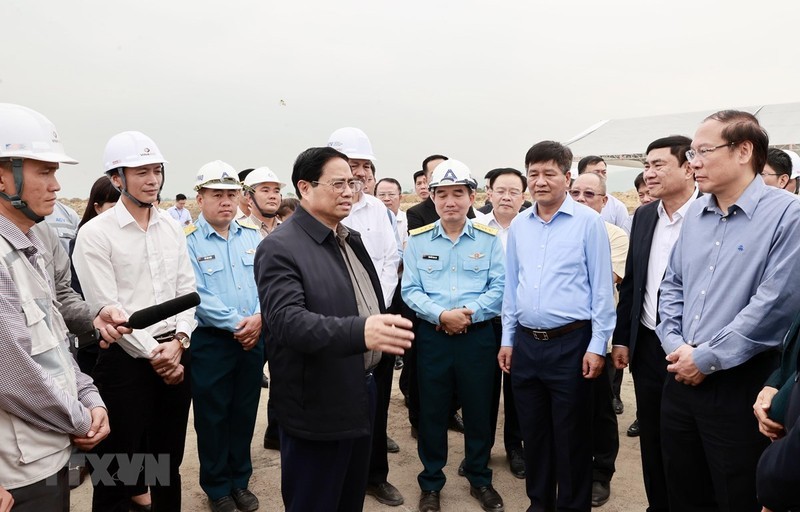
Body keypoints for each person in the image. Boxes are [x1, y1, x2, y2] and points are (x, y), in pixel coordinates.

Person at [655, 110, 800, 511]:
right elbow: (672, 287)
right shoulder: (696, 216)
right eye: (691, 152)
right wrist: (677, 345)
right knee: (682, 487)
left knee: (735, 491)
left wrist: (706, 356)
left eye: (703, 151)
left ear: (743, 151)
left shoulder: (788, 215)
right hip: (679, 374)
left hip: (740, 381)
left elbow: (774, 305)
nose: (692, 162)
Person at [255, 146, 414, 512]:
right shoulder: (281, 247)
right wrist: (361, 333)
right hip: (318, 403)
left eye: (354, 183)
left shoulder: (348, 237)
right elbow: (287, 322)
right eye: (338, 183)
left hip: (362, 390)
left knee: (349, 496)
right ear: (305, 188)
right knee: (316, 498)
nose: (349, 191)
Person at [0, 103, 125, 511]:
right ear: (2, 175)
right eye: (44, 171)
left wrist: (89, 395)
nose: (56, 184)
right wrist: (80, 418)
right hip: (19, 471)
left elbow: (54, 340)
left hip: (47, 452)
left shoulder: (31, 243)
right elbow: (14, 372)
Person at [73, 130, 197, 512]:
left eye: (156, 170)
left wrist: (178, 342)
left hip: (174, 352)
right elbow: (109, 307)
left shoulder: (172, 226)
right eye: (140, 172)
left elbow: (186, 289)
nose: (152, 180)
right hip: (126, 361)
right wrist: (157, 356)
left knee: (166, 461)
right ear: (116, 178)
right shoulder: (95, 235)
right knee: (119, 468)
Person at [498, 140, 615, 512]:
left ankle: (572, 505)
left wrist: (598, 345)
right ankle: (539, 503)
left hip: (572, 344)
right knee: (534, 433)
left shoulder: (589, 223)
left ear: (567, 177)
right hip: (528, 346)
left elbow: (601, 289)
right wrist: (508, 339)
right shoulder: (519, 224)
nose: (540, 181)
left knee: (571, 436)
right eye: (533, 174)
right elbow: (511, 288)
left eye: (549, 173)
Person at [403, 159, 505, 512]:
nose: (450, 202)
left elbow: (500, 288)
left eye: (458, 193)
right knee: (432, 410)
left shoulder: (489, 240)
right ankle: (431, 482)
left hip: (477, 337)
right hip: (434, 336)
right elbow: (410, 290)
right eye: (442, 194)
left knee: (479, 409)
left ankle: (479, 477)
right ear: (431, 197)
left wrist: (468, 314)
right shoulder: (417, 241)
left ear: (472, 196)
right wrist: (442, 315)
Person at [609, 135, 698, 512]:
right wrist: (623, 339)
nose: (649, 174)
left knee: (689, 444)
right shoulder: (644, 216)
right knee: (653, 437)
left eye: (659, 165)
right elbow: (632, 282)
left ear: (689, 166)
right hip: (646, 345)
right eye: (646, 165)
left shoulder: (710, 214)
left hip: (693, 350)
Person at [327, 127, 404, 507]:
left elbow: (389, 262)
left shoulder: (377, 211)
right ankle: (339, 478)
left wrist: (377, 307)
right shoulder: (323, 209)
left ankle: (375, 476)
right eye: (348, 165)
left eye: (362, 166)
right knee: (338, 404)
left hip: (380, 323)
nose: (355, 174)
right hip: (337, 328)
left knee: (377, 403)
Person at [186, 161, 263, 512]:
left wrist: (260, 319)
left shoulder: (253, 235)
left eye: (232, 194)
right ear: (200, 198)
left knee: (244, 412)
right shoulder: (186, 241)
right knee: (213, 417)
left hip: (253, 337)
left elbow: (268, 283)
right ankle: (217, 487)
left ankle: (239, 481)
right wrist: (239, 324)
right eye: (217, 194)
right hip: (213, 343)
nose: (226, 202)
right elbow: (196, 294)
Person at [570, 172, 628, 506]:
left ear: (604, 201)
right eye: (574, 192)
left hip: (597, 339)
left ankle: (600, 473)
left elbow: (605, 280)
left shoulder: (615, 235)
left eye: (589, 194)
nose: (580, 199)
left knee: (599, 412)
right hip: (560, 339)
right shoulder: (554, 229)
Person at [474, 168, 527, 479]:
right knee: (482, 389)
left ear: (523, 196)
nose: (507, 197)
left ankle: (515, 447)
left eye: (514, 191)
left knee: (518, 389)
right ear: (489, 193)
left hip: (520, 323)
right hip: (485, 321)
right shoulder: (475, 227)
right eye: (500, 190)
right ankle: (480, 451)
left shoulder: (532, 226)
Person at [241, 166, 285, 445]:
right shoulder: (238, 230)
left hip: (280, 316)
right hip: (252, 321)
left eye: (277, 190)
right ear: (248, 196)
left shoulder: (287, 228)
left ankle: (276, 433)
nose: (273, 196)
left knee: (284, 376)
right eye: (265, 190)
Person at [577, 156, 631, 234]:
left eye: (604, 172)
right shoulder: (569, 202)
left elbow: (625, 237)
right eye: (596, 172)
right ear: (581, 175)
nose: (601, 176)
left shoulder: (617, 207)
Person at [376, 177, 408, 251]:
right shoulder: (369, 220)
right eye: (382, 195)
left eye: (391, 194)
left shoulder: (408, 220)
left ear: (400, 197)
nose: (386, 198)